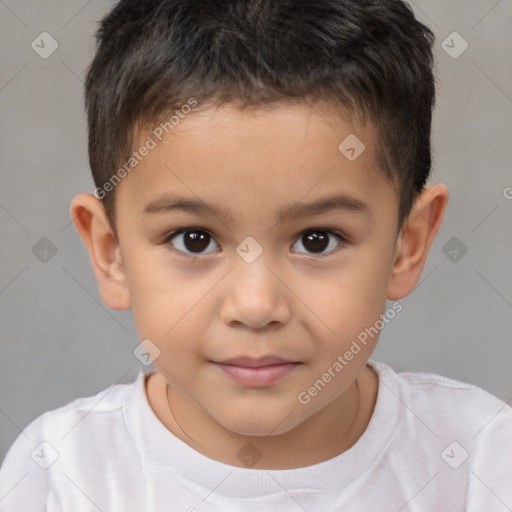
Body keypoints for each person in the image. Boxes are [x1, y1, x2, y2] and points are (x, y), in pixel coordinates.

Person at [1, 0, 510, 510]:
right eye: (194, 240)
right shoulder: (61, 475)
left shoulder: (478, 461)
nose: (256, 306)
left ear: (407, 245)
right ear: (112, 254)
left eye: (317, 239)